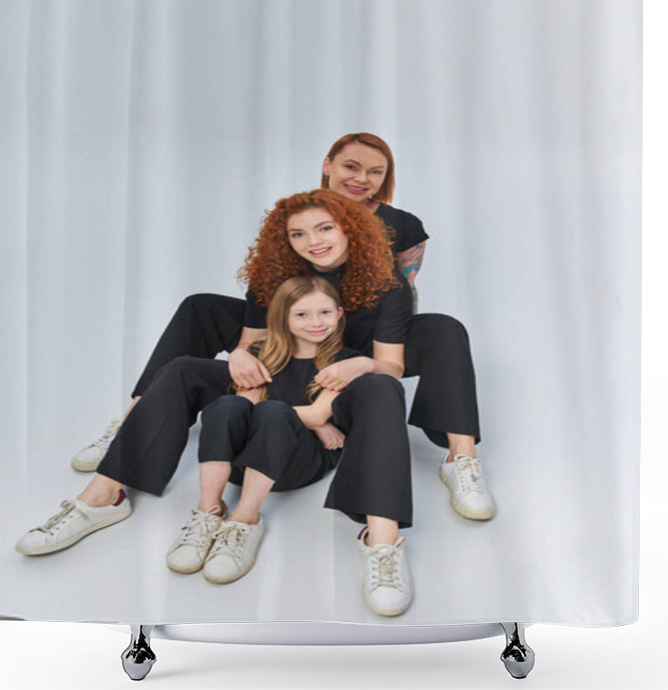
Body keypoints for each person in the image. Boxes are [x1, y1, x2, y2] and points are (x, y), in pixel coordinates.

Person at [16, 189, 493, 561]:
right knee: (184, 368)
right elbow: (258, 346)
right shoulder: (277, 273)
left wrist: (361, 365)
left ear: (349, 227)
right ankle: (104, 494)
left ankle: (418, 499)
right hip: (283, 367)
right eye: (298, 235)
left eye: (325, 228)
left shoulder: (384, 282)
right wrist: (243, 358)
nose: (313, 242)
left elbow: (389, 364)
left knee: (402, 365)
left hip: (345, 371)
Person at [68, 133, 428, 472]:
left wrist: (357, 354)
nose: (362, 178)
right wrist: (245, 354)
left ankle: (458, 454)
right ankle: (136, 416)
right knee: (201, 306)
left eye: (375, 171)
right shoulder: (299, 213)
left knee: (436, 329)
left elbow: (400, 291)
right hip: (292, 321)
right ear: (328, 165)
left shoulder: (402, 224)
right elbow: (267, 286)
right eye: (352, 166)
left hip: (354, 331)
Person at [164, 275, 412, 615]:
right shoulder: (259, 353)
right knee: (225, 406)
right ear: (283, 317)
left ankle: (245, 521)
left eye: (324, 312)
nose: (315, 323)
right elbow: (249, 407)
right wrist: (320, 423)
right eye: (302, 315)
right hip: (243, 462)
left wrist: (315, 417)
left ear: (339, 314)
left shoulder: (344, 361)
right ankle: (208, 512)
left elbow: (314, 409)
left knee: (274, 411)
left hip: (299, 462)